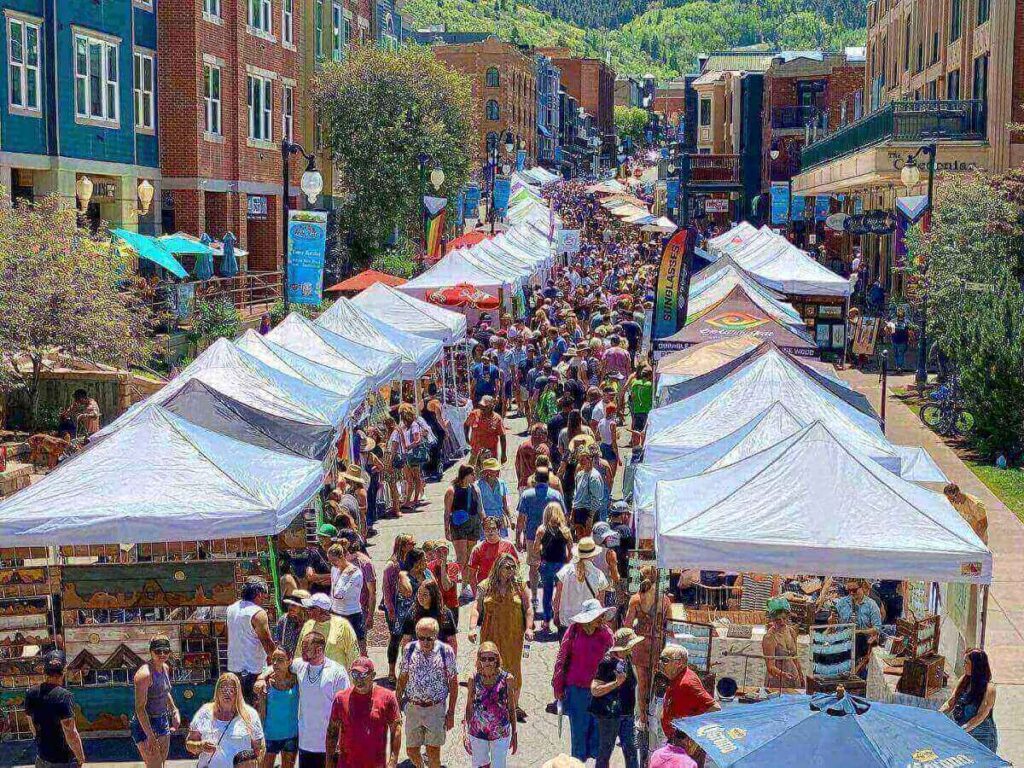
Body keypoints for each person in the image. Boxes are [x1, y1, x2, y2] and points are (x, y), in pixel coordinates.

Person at [552, 599, 615, 763]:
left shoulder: (606, 633)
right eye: (597, 616)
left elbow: (615, 659)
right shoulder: (573, 631)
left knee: (597, 737)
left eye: (601, 616)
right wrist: (558, 686)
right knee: (579, 735)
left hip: (599, 691)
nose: (601, 619)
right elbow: (562, 658)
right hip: (576, 691)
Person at [469, 553, 533, 709]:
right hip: (490, 635)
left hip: (513, 636)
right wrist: (472, 628)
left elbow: (529, 608)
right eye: (508, 566)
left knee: (513, 668)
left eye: (514, 567)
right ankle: (487, 701)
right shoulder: (485, 585)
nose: (512, 570)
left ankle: (513, 706)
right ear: (498, 567)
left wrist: (529, 628)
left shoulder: (520, 586)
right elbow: (476, 608)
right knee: (488, 666)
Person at [396, 618, 459, 768]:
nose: (425, 642)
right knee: (411, 750)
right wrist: (397, 702)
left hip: (435, 709)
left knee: (433, 753)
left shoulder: (446, 651)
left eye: (429, 638)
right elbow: (403, 676)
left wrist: (451, 713)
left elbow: (453, 683)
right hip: (413, 708)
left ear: (436, 635)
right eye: (421, 638)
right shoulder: (409, 649)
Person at [326, 657, 402, 768]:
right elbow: (332, 733)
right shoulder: (340, 698)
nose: (358, 679)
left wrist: (393, 761)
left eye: (363, 675)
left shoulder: (387, 697)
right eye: (355, 675)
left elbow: (396, 729)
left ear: (373, 675)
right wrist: (329, 763)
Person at [186, 673, 265, 768]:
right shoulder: (204, 712)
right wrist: (200, 746)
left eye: (231, 690)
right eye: (223, 689)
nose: (227, 693)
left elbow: (259, 749)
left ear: (238, 693)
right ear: (217, 692)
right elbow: (189, 743)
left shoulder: (250, 714)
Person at [591, 628, 642, 768]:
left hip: (628, 715)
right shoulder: (606, 663)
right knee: (605, 753)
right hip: (610, 716)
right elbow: (595, 690)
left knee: (631, 752)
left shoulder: (629, 658)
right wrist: (615, 684)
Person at [25, 652, 87, 768]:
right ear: (63, 671)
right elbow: (71, 732)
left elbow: (32, 725)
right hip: (63, 761)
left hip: (42, 758)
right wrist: (80, 757)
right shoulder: (64, 696)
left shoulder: (31, 693)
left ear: (45, 670)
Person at [464, 642, 518, 768]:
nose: (487, 662)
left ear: (497, 660)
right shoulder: (473, 678)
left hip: (500, 731)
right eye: (483, 658)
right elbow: (469, 706)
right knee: (480, 765)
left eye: (491, 658)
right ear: (479, 660)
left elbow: (511, 707)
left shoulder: (507, 679)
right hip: (478, 731)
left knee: (499, 765)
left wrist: (514, 732)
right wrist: (466, 731)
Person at [517, 470, 566, 607]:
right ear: (548, 480)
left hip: (532, 536)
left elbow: (521, 518)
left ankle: (534, 597)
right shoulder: (555, 495)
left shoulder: (527, 495)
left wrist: (517, 537)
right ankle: (553, 597)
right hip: (553, 538)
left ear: (535, 479)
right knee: (554, 567)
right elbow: (564, 516)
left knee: (533, 566)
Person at [132, 636, 181, 768]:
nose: (162, 654)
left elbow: (165, 691)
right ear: (151, 652)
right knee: (155, 766)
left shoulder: (165, 668)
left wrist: (174, 710)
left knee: (161, 763)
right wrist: (150, 736)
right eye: (158, 651)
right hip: (146, 723)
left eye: (166, 651)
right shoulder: (144, 675)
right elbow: (140, 708)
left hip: (162, 720)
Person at [226, 577, 277, 704]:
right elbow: (267, 643)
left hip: (234, 669)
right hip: (253, 672)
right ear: (259, 594)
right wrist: (279, 662)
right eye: (264, 594)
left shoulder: (231, 609)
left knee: (238, 709)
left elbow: (228, 636)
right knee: (254, 711)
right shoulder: (258, 613)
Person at [941, 648, 998, 752]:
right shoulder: (964, 680)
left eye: (966, 663)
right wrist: (936, 715)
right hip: (964, 732)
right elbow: (950, 703)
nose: (963, 665)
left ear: (976, 666)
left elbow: (980, 716)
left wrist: (961, 731)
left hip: (982, 738)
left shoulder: (989, 688)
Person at [659, 645, 719, 740]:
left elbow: (715, 708)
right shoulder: (677, 677)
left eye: (665, 660)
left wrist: (692, 730)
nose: (661, 663)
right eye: (660, 659)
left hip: (683, 743)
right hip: (675, 740)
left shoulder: (687, 683)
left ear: (679, 662)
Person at [445, 465, 486, 601]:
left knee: (470, 557)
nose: (475, 476)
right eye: (472, 474)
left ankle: (466, 585)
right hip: (458, 524)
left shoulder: (474, 488)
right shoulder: (452, 490)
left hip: (473, 523)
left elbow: (480, 509)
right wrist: (446, 529)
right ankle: (462, 587)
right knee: (461, 557)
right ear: (465, 475)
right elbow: (447, 512)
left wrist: (485, 522)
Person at [534, 502, 573, 634]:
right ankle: (560, 619)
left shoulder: (541, 530)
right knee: (561, 594)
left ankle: (546, 622)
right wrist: (567, 562)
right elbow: (571, 551)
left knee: (547, 593)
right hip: (561, 565)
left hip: (547, 565)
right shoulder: (565, 531)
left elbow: (535, 548)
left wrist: (541, 552)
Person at [553, 537, 609, 630]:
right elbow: (600, 603)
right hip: (588, 622)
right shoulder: (599, 575)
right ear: (593, 555)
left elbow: (557, 596)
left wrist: (556, 614)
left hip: (566, 620)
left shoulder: (565, 571)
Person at [295, 594, 359, 672]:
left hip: (337, 680)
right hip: (311, 679)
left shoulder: (343, 625)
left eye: (310, 608)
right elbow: (299, 652)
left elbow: (353, 653)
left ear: (319, 610)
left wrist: (352, 680)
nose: (307, 610)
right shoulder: (307, 625)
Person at [257, 649, 299, 768]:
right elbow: (262, 712)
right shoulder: (266, 683)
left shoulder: (297, 680)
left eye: (280, 660)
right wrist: (260, 736)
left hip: (291, 734)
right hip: (270, 735)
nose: (275, 663)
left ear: (289, 661)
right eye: (273, 660)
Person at [383, 535, 416, 684]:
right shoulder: (392, 565)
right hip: (395, 607)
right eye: (410, 543)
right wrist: (390, 609)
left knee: (410, 639)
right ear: (403, 545)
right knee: (395, 638)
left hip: (409, 606)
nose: (414, 544)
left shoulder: (410, 560)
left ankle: (407, 670)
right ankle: (391, 671)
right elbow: (387, 589)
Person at [834, 578, 882, 678]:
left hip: (862, 642)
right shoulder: (842, 603)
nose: (851, 593)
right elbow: (834, 623)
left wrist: (859, 631)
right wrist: (831, 620)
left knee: (858, 637)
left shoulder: (871, 605)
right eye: (849, 591)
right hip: (843, 639)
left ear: (862, 588)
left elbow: (877, 628)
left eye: (854, 590)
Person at [400, 580, 458, 650]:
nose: (420, 597)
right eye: (419, 593)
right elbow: (406, 639)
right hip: (418, 655)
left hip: (439, 655)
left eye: (425, 594)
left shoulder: (445, 613)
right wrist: (405, 659)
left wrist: (451, 659)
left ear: (433, 595)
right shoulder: (413, 612)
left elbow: (452, 641)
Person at [467, 517, 519, 593]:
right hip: (486, 590)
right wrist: (476, 595)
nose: (490, 531)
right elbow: (471, 575)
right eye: (487, 529)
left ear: (498, 530)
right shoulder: (477, 549)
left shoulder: (509, 546)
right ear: (483, 531)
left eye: (493, 528)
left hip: (506, 590)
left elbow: (517, 568)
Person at [762, 598, 805, 690]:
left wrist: (801, 675)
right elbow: (770, 666)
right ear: (772, 619)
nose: (782, 621)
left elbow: (795, 657)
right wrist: (783, 674)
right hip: (777, 679)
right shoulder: (769, 637)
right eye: (778, 619)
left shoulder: (791, 631)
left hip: (793, 675)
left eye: (784, 618)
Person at [327, 543, 365, 646]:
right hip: (336, 612)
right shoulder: (334, 569)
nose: (332, 564)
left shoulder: (355, 573)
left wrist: (344, 574)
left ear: (342, 556)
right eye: (330, 561)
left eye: (334, 561)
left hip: (352, 614)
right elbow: (333, 590)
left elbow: (339, 594)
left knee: (356, 646)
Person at [572, 446, 606, 539]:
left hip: (589, 512)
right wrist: (573, 512)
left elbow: (596, 499)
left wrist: (590, 517)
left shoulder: (594, 477)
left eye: (583, 459)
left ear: (590, 459)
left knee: (588, 540)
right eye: (580, 459)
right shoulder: (580, 475)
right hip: (579, 511)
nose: (581, 462)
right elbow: (576, 495)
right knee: (580, 540)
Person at [465, 396, 507, 466]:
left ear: (491, 407)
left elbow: (502, 437)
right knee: (473, 474)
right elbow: (466, 424)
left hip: (490, 455)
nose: (482, 409)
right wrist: (466, 437)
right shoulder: (474, 414)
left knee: (490, 475)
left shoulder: (497, 419)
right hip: (475, 452)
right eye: (481, 406)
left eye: (485, 407)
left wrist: (503, 454)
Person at [478, 457, 513, 535]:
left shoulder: (502, 483)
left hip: (500, 517)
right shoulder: (478, 485)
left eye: (497, 470)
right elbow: (478, 506)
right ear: (487, 472)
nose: (498, 472)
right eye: (495, 471)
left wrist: (510, 519)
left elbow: (505, 504)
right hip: (485, 518)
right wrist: (484, 520)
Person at [273, 591, 310, 659]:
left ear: (303, 608)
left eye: (294, 605)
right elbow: (277, 641)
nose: (290, 607)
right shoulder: (283, 620)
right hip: (287, 661)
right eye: (289, 604)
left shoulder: (310, 623)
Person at [515, 423, 549, 491]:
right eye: (545, 432)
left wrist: (520, 482)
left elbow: (517, 466)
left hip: (524, 484)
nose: (547, 435)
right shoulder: (543, 449)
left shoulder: (522, 446)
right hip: (538, 486)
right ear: (539, 435)